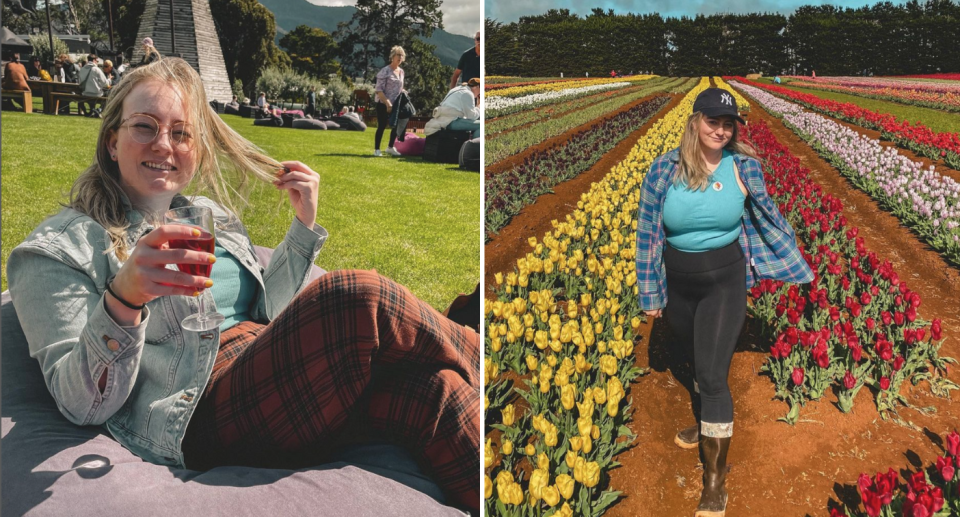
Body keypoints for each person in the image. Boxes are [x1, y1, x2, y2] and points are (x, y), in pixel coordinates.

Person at [6, 57, 481, 516]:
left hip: (271, 369)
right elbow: (79, 403)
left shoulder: (209, 216)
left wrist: (303, 225)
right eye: (144, 126)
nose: (164, 145)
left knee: (434, 394)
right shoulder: (59, 248)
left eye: (181, 132)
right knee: (359, 296)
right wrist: (124, 298)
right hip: (197, 411)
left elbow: (271, 312)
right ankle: (490, 356)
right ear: (113, 141)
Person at [635, 88, 813, 517]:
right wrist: (651, 292)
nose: (720, 129)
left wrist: (794, 261)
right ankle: (705, 423)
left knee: (713, 375)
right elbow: (648, 234)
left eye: (727, 123)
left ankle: (714, 480)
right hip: (678, 284)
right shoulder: (663, 170)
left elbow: (769, 217)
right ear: (694, 122)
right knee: (696, 359)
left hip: (724, 281)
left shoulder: (744, 168)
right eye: (712, 121)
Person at [374, 46, 405, 157]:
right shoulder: (385, 71)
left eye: (402, 55)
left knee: (395, 126)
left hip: (396, 104)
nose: (400, 57)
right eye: (398, 55)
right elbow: (378, 90)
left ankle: (390, 147)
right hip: (383, 103)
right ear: (392, 56)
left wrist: (404, 92)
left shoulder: (401, 72)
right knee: (382, 126)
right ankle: (377, 149)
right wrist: (387, 103)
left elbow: (400, 87)